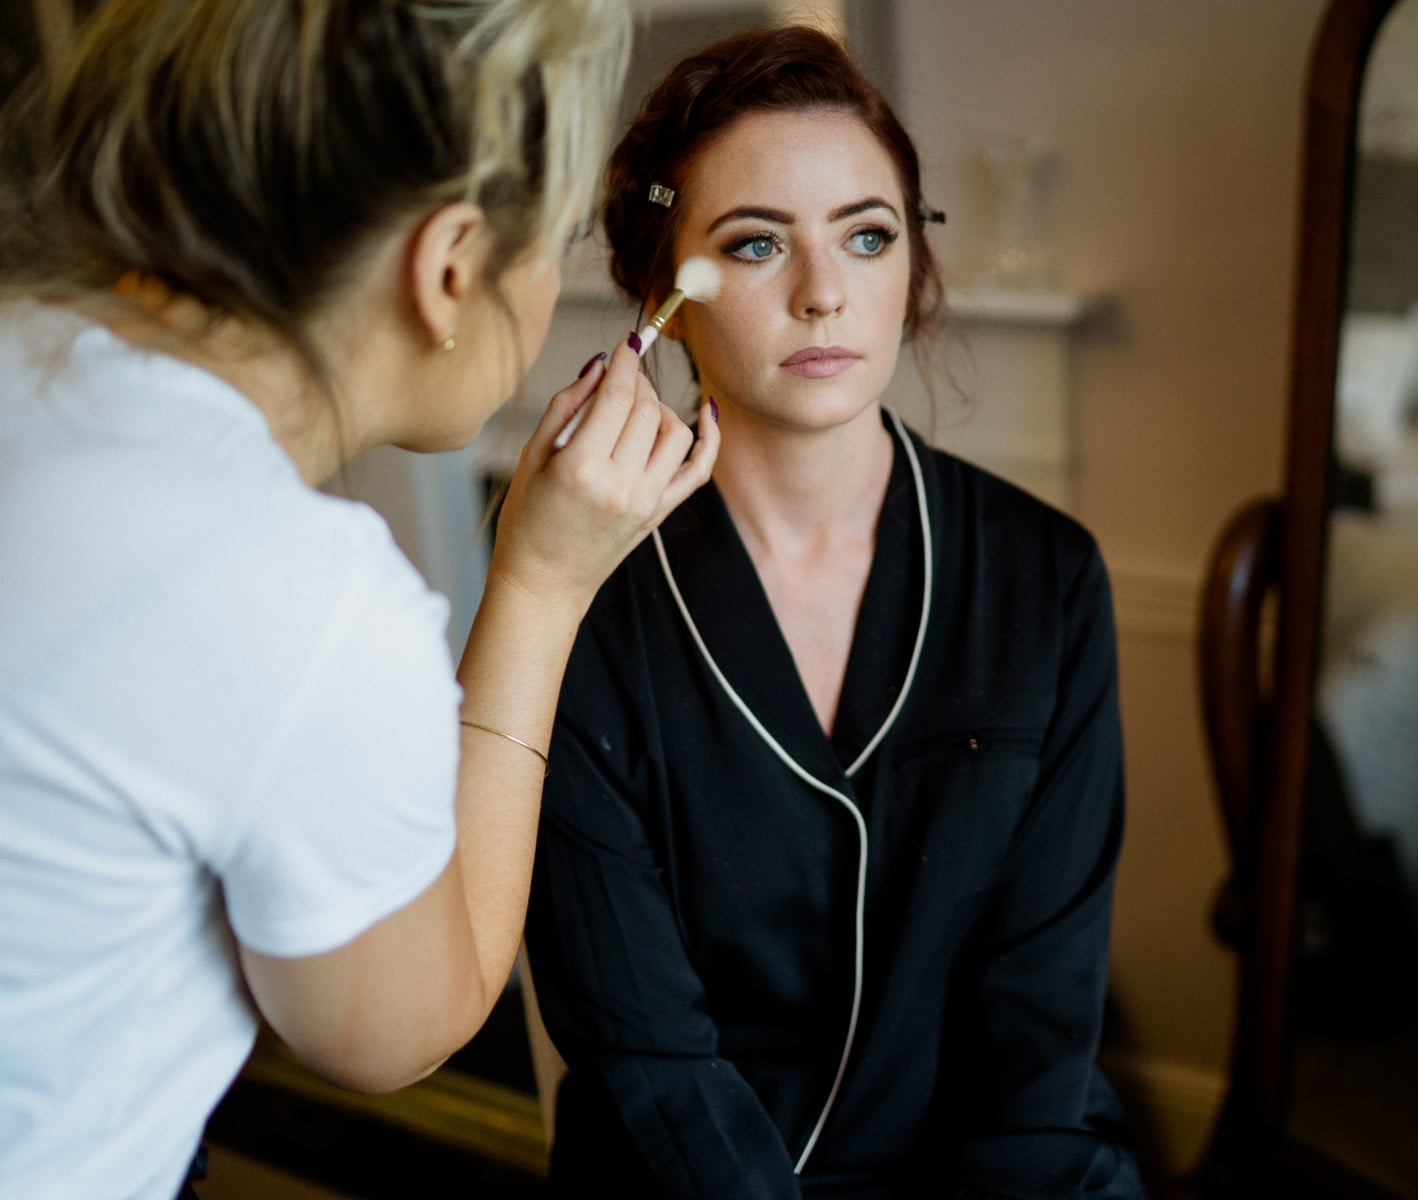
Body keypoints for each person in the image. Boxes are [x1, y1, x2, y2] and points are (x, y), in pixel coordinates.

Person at [0, 2, 716, 1197]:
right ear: (446, 270)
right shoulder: (290, 592)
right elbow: (392, 1031)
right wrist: (538, 586)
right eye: (545, 245)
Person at [523, 25, 1144, 1200]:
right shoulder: (584, 602)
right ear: (661, 291)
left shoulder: (1045, 579)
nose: (823, 292)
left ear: (912, 266)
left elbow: (1042, 1030)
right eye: (756, 245)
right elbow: (650, 1060)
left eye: (867, 235)